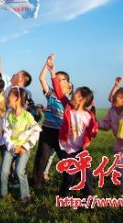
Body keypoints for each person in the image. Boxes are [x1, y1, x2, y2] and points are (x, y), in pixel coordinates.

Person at [47, 55, 98, 197]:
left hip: (80, 148)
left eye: (75, 93)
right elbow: (58, 91)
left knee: (86, 172)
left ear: (81, 99)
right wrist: (52, 73)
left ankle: (90, 197)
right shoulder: (68, 106)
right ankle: (63, 196)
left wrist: (88, 139)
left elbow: (93, 130)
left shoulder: (88, 115)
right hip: (67, 147)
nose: (72, 93)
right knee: (70, 173)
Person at [32, 54, 72, 191]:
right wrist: (47, 65)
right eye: (57, 79)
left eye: (61, 80)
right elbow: (41, 78)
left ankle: (69, 184)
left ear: (68, 85)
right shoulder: (51, 94)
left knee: (66, 159)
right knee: (42, 157)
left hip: (61, 133)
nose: (58, 81)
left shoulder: (69, 101)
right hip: (47, 130)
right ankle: (36, 183)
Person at [0, 87, 41, 202]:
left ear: (17, 99)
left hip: (23, 149)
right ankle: (3, 193)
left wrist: (25, 147)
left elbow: (35, 132)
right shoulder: (8, 115)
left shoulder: (27, 116)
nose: (7, 98)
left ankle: (25, 195)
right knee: (4, 171)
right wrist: (12, 146)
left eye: (9, 96)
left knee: (19, 171)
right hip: (10, 148)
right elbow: (5, 133)